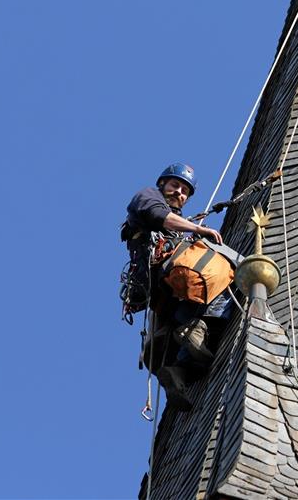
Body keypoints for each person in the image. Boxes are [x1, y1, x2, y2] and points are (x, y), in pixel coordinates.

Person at [123, 163, 223, 410]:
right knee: (221, 273)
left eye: (185, 191)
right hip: (168, 271)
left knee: (182, 315)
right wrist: (198, 229)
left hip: (165, 288)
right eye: (175, 185)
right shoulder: (147, 197)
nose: (179, 192)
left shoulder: (178, 223)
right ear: (162, 184)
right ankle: (194, 329)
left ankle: (178, 372)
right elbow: (161, 217)